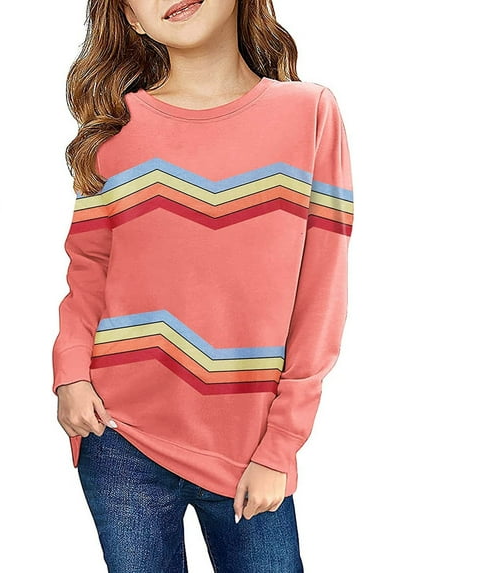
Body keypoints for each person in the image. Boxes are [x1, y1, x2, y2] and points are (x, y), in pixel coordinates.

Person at [51, 0, 354, 571]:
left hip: (251, 445)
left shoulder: (309, 113)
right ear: (130, 17)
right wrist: (70, 373)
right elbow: (88, 267)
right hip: (118, 433)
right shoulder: (114, 130)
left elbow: (322, 294)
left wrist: (281, 444)